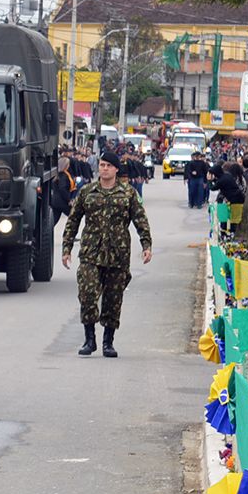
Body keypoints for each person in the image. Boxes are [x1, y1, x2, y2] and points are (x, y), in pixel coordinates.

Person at [61, 151, 153, 358]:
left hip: (117, 254)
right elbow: (73, 221)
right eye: (102, 165)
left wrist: (146, 245)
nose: (104, 169)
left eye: (108, 166)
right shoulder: (87, 192)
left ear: (116, 169)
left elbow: (140, 220)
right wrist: (66, 249)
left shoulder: (128, 193)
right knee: (87, 295)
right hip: (90, 253)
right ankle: (89, 339)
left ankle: (108, 342)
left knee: (113, 299)